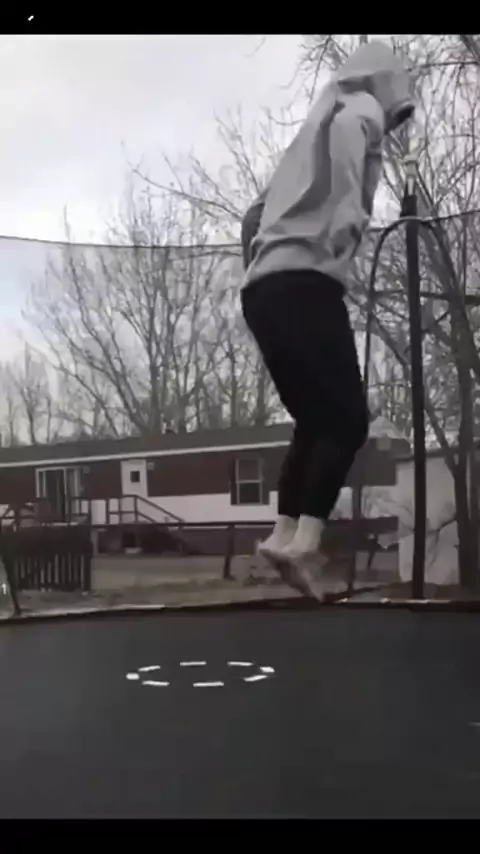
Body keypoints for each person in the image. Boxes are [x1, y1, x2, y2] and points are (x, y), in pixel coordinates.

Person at [240, 40, 414, 596]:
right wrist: (343, 223)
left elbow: (252, 216)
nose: (392, 123)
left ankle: (282, 535)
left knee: (314, 421)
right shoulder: (356, 109)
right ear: (385, 85)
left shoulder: (305, 137)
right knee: (348, 422)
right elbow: (348, 147)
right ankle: (307, 545)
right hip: (305, 283)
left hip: (262, 292)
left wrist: (259, 265)